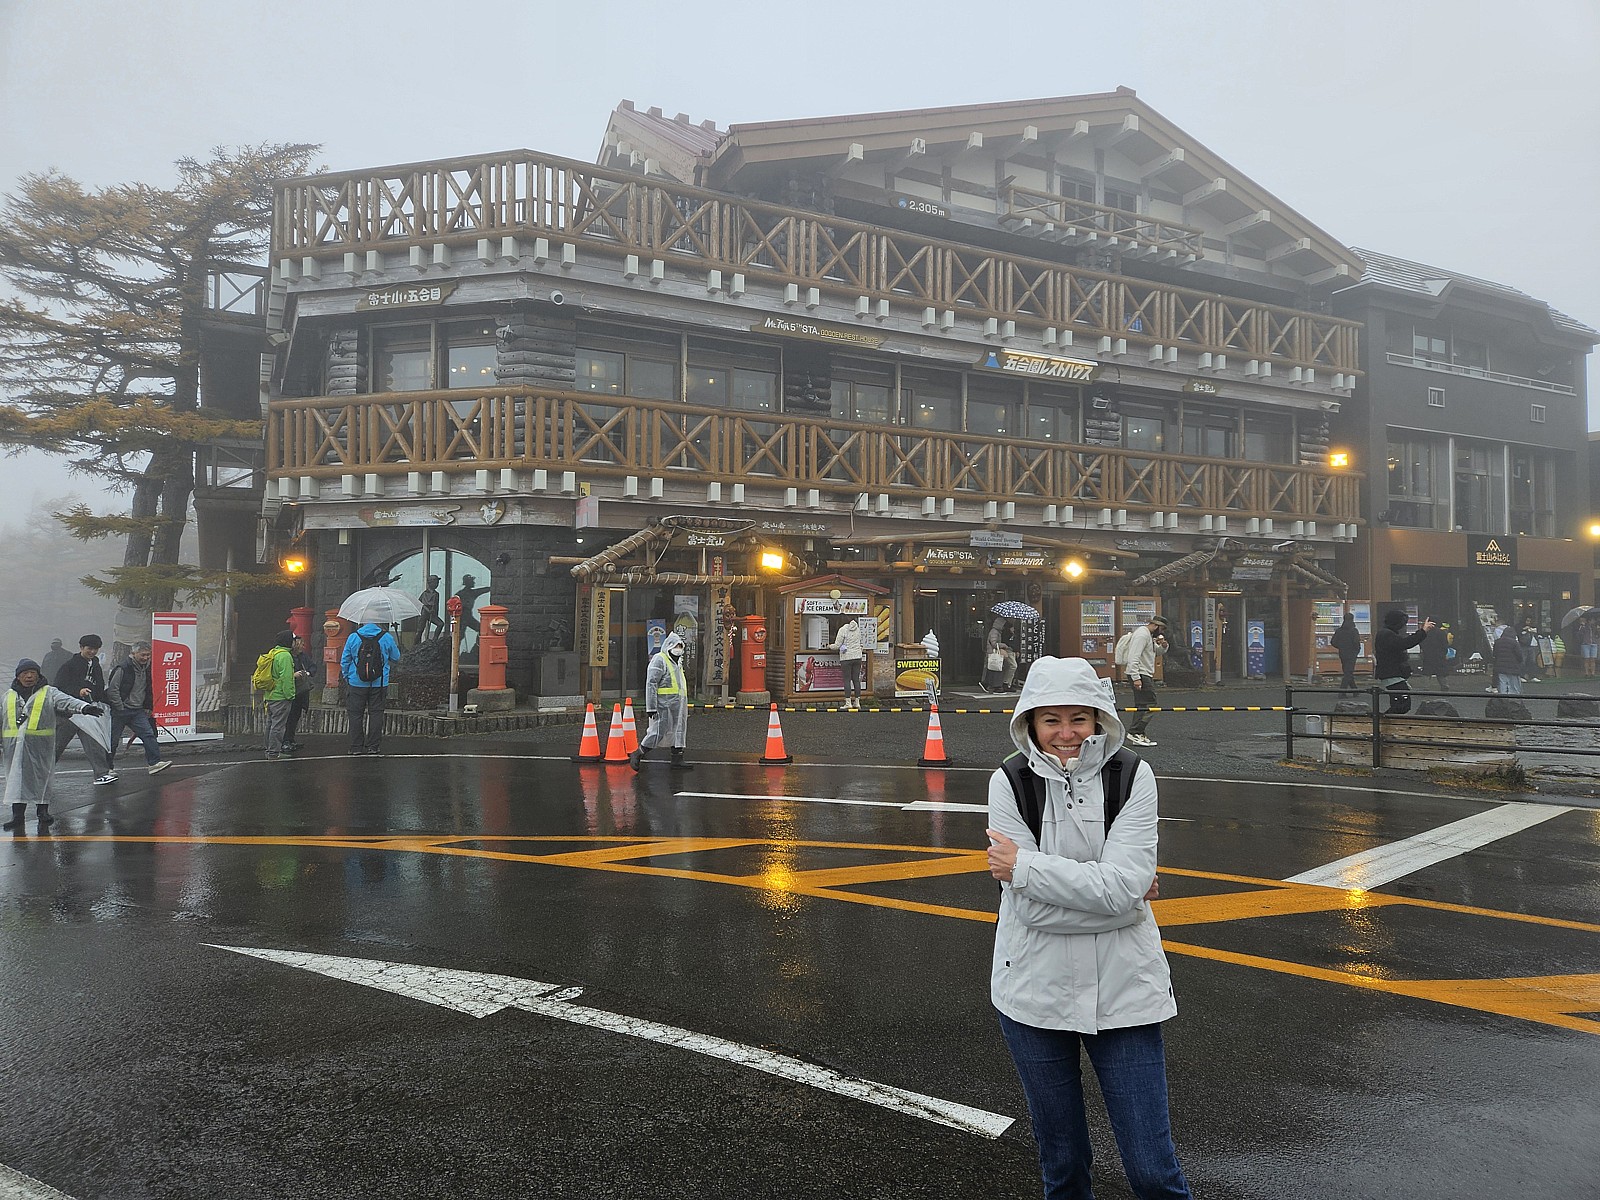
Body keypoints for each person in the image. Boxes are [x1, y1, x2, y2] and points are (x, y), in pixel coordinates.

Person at [984, 656, 1190, 1199]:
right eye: (1050, 720)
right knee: (1063, 1165)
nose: (1066, 733)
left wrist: (1026, 870)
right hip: (1033, 991)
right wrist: (1121, 898)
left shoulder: (1132, 775)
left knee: (1153, 1172)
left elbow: (1118, 888)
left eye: (1079, 718)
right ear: (1029, 722)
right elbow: (1041, 909)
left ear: (1100, 719)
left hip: (1126, 991)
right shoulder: (1010, 781)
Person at [5, 659, 102, 832]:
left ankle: (43, 812)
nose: (29, 676)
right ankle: (17, 816)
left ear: (38, 675)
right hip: (14, 747)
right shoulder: (8, 696)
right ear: (18, 676)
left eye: (32, 673)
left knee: (42, 778)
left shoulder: (48, 692)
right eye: (25, 673)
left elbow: (66, 701)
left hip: (41, 746)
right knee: (16, 780)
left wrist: (84, 708)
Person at [52, 633, 118, 785]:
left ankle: (101, 774)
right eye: (89, 648)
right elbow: (58, 688)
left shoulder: (95, 665)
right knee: (56, 746)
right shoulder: (69, 665)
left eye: (95, 649)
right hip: (69, 713)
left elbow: (99, 687)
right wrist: (78, 691)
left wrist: (105, 701)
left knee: (94, 742)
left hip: (88, 711)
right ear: (81, 647)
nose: (92, 652)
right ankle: (40, 774)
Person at [106, 642, 172, 776]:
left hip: (138, 710)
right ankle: (106, 768)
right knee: (112, 740)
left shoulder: (146, 668)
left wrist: (148, 706)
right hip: (120, 711)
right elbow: (113, 690)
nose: (146, 658)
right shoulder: (122, 668)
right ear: (133, 653)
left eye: (148, 655)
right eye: (143, 655)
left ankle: (154, 763)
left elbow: (148, 688)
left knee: (149, 735)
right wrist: (119, 707)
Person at [630, 630, 691, 771]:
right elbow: (651, 683)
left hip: (678, 704)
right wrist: (651, 707)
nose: (678, 649)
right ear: (669, 646)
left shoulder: (678, 662)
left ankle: (677, 758)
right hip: (663, 705)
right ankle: (639, 752)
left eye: (680, 646)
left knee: (679, 730)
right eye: (676, 646)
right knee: (658, 731)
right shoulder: (660, 659)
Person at [340, 620, 401, 756]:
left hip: (356, 683)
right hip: (379, 683)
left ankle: (356, 747)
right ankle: (373, 746)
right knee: (376, 714)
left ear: (362, 622)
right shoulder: (386, 637)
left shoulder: (353, 637)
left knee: (355, 715)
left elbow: (345, 660)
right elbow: (396, 657)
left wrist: (347, 676)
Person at [1374, 610, 1434, 714]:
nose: (1403, 626)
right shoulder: (1387, 634)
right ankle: (1382, 721)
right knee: (1402, 705)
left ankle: (1383, 721)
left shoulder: (1386, 633)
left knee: (1400, 704)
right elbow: (1405, 643)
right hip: (1392, 673)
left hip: (1392, 673)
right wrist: (1423, 631)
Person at [1122, 615, 1168, 748]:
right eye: (1162, 629)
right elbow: (1133, 657)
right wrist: (1136, 677)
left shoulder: (1148, 635)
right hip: (1141, 674)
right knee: (1150, 703)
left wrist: (1163, 646)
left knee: (1141, 704)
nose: (1162, 632)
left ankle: (1137, 732)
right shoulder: (1142, 635)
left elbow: (1154, 652)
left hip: (1143, 673)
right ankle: (1135, 731)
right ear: (1156, 626)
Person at [259, 631, 298, 759]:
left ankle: (269, 750)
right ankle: (274, 752)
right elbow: (287, 678)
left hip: (270, 695)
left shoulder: (273, 653)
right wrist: (290, 695)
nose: (295, 643)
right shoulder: (285, 656)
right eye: (293, 640)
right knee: (278, 726)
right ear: (288, 641)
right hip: (281, 697)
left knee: (270, 724)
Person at [281, 634, 317, 753]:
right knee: (288, 717)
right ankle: (285, 741)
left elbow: (313, 667)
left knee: (295, 716)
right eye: (301, 644)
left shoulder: (303, 657)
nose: (303, 646)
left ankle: (290, 739)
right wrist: (294, 675)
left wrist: (307, 673)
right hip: (290, 691)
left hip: (301, 691)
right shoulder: (287, 657)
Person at [830, 617, 865, 712]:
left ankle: (848, 703)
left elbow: (837, 645)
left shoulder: (842, 630)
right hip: (857, 657)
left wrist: (829, 646)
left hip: (846, 658)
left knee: (847, 680)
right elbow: (861, 644)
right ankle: (857, 702)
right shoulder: (858, 629)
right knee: (856, 680)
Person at [455, 574, 490, 655]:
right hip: (462, 617)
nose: (474, 582)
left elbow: (483, 590)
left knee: (481, 629)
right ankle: (455, 655)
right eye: (472, 581)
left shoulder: (468, 593)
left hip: (467, 616)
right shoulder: (462, 594)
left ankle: (477, 648)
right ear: (468, 582)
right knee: (460, 636)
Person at [1418, 617, 1452, 692]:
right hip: (1439, 655)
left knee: (1427, 672)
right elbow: (1445, 645)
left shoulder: (1425, 632)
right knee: (1441, 672)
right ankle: (1444, 686)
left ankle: (1425, 687)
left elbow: (1421, 642)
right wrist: (1444, 653)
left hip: (1428, 655)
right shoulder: (1441, 632)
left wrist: (1424, 651)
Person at [1330, 612, 1361, 692]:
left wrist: (1340, 647)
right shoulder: (1354, 630)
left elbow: (1333, 642)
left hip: (1342, 653)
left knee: (1347, 671)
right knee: (1348, 672)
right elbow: (1356, 642)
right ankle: (1342, 691)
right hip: (1352, 654)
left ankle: (1355, 690)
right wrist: (1357, 650)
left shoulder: (1339, 630)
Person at [1493, 625, 1526, 696]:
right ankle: (1514, 698)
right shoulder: (1514, 642)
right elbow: (1519, 655)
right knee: (1514, 685)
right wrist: (1520, 662)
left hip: (1500, 666)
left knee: (1502, 683)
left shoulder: (1498, 642)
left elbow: (1495, 654)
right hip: (1513, 667)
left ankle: (1503, 697)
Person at [417, 575, 445, 643]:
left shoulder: (436, 594)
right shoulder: (425, 593)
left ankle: (434, 640)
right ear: (430, 583)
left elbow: (436, 605)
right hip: (424, 614)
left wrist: (435, 613)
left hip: (432, 614)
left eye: (438, 583)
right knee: (420, 630)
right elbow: (422, 604)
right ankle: (416, 644)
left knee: (440, 624)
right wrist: (429, 610)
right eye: (435, 583)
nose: (437, 584)